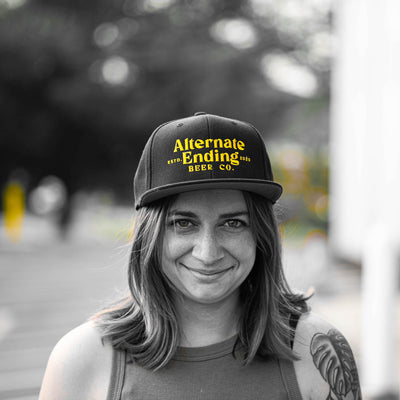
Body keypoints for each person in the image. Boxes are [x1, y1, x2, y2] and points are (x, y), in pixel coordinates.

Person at [39, 113, 362, 400]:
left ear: (260, 235)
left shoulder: (317, 351)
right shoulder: (81, 360)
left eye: (233, 223)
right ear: (151, 235)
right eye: (183, 223)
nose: (207, 252)